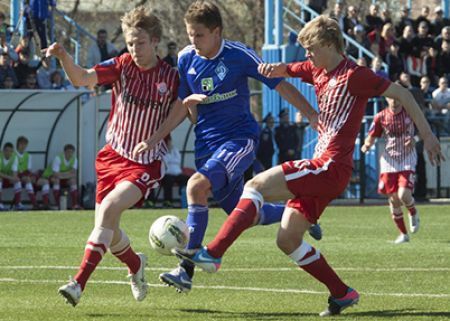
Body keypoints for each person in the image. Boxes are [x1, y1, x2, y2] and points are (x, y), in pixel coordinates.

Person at [173, 16, 444, 317]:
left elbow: (404, 94)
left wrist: (429, 137)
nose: (307, 56)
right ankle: (342, 293)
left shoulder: (355, 75)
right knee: (287, 239)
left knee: (255, 186)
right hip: (325, 172)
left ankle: (213, 254)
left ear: (329, 44)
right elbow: (289, 70)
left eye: (311, 49)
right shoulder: (317, 67)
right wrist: (274, 69)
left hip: (328, 165)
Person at [132, 0, 320, 294]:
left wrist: (310, 113)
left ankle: (185, 270)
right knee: (241, 212)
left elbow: (280, 84)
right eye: (189, 35)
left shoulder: (238, 55)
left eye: (199, 35)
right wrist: (156, 138)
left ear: (217, 31)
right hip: (206, 143)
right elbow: (183, 106)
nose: (193, 42)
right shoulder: (185, 58)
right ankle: (296, 214)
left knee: (195, 187)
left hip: (239, 139)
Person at [45, 6, 180, 307]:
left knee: (108, 209)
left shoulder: (171, 76)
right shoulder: (121, 64)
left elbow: (183, 109)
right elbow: (82, 79)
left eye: (140, 43)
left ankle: (77, 283)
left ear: (155, 40)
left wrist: (157, 137)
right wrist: (64, 56)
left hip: (145, 163)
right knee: (108, 227)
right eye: (130, 42)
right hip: (111, 158)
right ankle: (136, 265)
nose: (134, 49)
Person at [361, 97, 419, 244]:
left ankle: (413, 212)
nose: (395, 101)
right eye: (392, 98)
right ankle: (403, 234)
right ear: (387, 99)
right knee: (393, 199)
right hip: (389, 160)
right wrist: (367, 145)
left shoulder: (411, 113)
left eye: (398, 98)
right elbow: (372, 136)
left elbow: (423, 131)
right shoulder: (380, 116)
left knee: (403, 194)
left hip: (407, 158)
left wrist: (414, 139)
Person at [41, 144, 80, 209]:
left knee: (73, 180)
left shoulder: (74, 159)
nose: (70, 154)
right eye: (68, 152)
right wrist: (67, 174)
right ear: (64, 152)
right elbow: (55, 174)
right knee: (56, 180)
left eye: (71, 152)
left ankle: (75, 204)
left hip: (62, 178)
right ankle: (57, 204)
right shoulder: (58, 158)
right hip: (49, 177)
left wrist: (62, 175)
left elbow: (74, 173)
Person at [160, 136, 190, 207]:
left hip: (177, 173)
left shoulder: (175, 150)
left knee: (187, 179)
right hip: (167, 174)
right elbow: (165, 161)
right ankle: (168, 201)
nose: (169, 143)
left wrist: (171, 158)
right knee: (168, 181)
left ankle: (184, 195)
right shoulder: (161, 151)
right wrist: (170, 156)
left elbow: (178, 160)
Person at [15, 136, 38, 210]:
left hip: (24, 175)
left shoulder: (28, 156)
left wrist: (32, 175)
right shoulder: (13, 155)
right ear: (17, 144)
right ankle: (34, 203)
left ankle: (35, 205)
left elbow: (29, 170)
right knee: (27, 179)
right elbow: (13, 169)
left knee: (32, 179)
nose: (23, 146)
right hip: (14, 175)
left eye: (25, 144)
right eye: (21, 144)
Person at [0, 142, 21, 211]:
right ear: (3, 151)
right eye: (7, 150)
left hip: (7, 178)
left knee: (17, 181)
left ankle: (17, 204)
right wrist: (11, 178)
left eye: (10, 151)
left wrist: (14, 178)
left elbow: (14, 173)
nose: (8, 153)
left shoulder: (14, 157)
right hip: (3, 178)